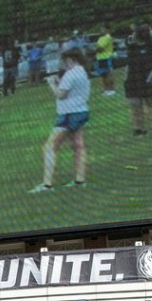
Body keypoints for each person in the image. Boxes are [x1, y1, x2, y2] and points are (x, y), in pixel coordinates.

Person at [30, 47, 90, 193]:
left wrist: (51, 83)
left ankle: (47, 184)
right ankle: (79, 180)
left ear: (69, 60)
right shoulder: (82, 71)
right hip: (81, 110)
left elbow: (60, 95)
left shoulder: (70, 74)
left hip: (68, 114)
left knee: (49, 147)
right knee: (78, 146)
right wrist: (59, 81)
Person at [125, 22, 152, 136]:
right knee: (135, 104)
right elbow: (129, 64)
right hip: (133, 78)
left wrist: (149, 78)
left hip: (149, 79)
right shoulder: (132, 47)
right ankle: (139, 129)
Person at [95, 25, 116, 96]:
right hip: (100, 58)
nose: (101, 30)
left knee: (108, 73)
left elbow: (100, 48)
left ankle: (112, 89)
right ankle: (106, 89)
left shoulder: (108, 37)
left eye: (103, 29)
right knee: (103, 74)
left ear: (107, 29)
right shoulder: (100, 38)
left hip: (106, 57)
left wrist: (94, 50)